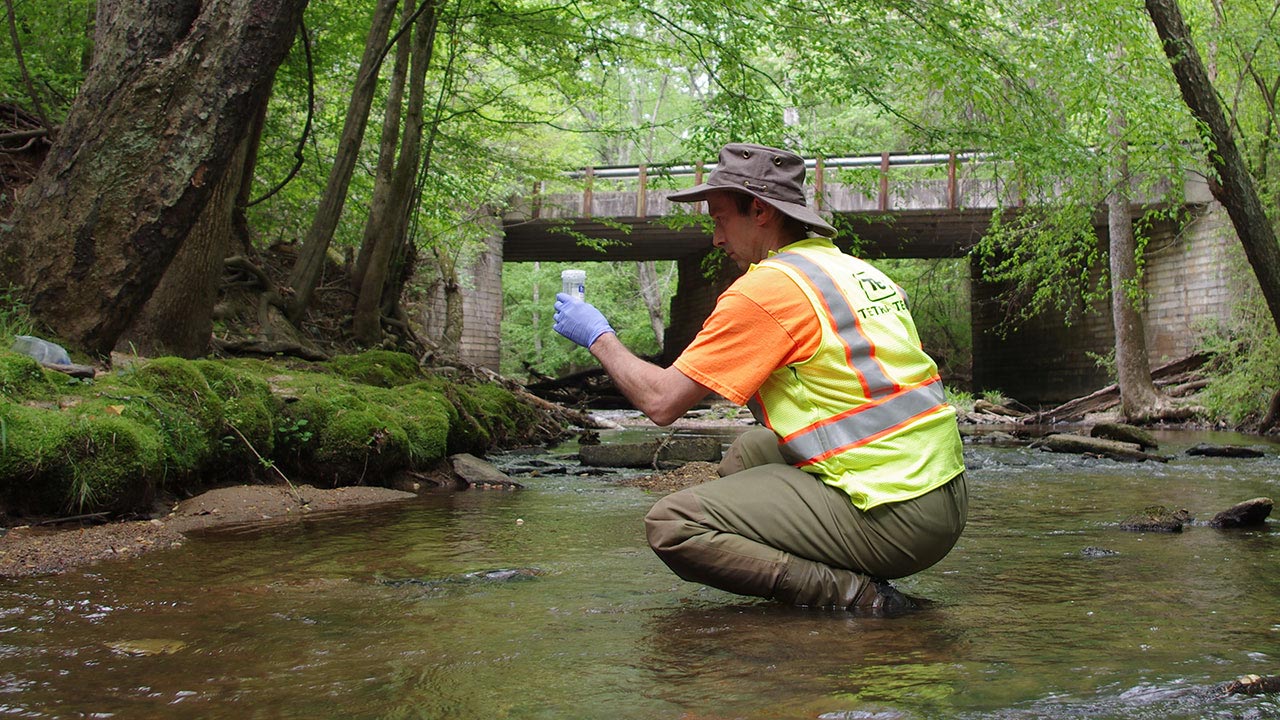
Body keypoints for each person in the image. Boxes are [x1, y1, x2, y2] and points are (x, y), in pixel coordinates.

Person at [551, 142, 967, 613]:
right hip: (943, 493)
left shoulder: (767, 290)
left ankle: (860, 597)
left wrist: (597, 335)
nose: (715, 238)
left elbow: (661, 402)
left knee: (673, 524)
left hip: (896, 514)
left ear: (761, 210)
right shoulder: (856, 271)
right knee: (751, 450)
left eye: (720, 219)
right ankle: (817, 562)